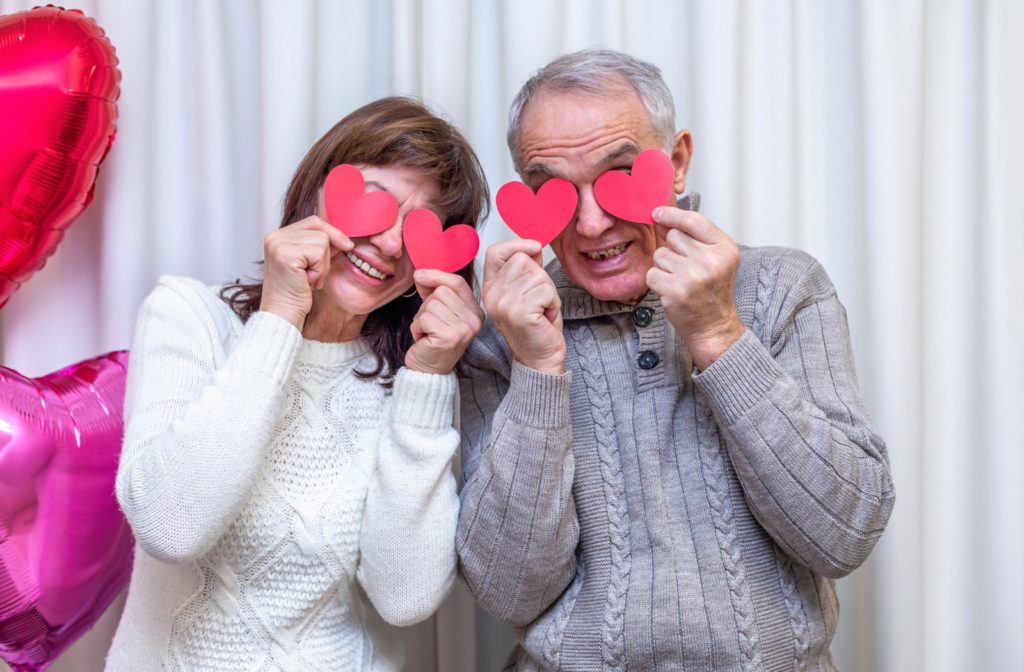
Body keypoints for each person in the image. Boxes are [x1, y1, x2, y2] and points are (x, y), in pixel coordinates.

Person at [456, 49, 895, 670]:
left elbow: (845, 535)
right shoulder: (503, 332)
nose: (588, 223)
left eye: (620, 174)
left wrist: (719, 334)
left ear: (678, 162)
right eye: (552, 189)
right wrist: (536, 369)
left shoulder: (784, 288)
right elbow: (507, 589)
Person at [105, 97, 489, 671]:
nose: (387, 244)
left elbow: (405, 598)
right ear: (315, 190)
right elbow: (171, 526)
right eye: (374, 201)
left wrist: (428, 379)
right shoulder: (187, 317)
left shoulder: (413, 382)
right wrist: (281, 318)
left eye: (420, 230)